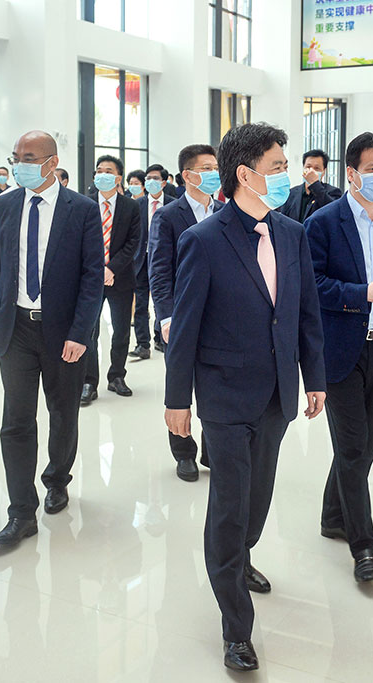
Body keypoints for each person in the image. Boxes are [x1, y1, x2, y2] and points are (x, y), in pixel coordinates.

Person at [164, 122, 326, 672]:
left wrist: (315, 378)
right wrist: (177, 401)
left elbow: (305, 314)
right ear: (245, 174)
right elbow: (185, 328)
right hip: (225, 396)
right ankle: (236, 628)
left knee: (257, 500)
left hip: (277, 392)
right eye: (277, 167)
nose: (286, 176)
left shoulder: (292, 233)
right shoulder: (203, 240)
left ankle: (239, 556)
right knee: (230, 508)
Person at [0, 130, 103, 547]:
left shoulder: (81, 209)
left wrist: (80, 333)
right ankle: (20, 511)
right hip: (14, 327)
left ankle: (57, 479)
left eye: (29, 158)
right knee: (15, 420)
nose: (20, 165)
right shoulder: (4, 205)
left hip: (63, 330)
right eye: (16, 157)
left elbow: (92, 277)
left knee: (62, 412)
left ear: (52, 162)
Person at [306, 132, 373, 583]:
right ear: (351, 173)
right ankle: (363, 545)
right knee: (353, 448)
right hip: (339, 350)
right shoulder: (323, 222)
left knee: (366, 445)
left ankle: (333, 515)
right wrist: (360, 294)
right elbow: (312, 285)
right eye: (372, 169)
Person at [150, 143, 223, 482]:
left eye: (216, 168)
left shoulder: (225, 211)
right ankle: (183, 452)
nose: (214, 174)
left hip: (220, 316)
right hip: (181, 315)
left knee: (216, 386)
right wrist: (166, 316)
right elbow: (159, 270)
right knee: (180, 384)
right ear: (188, 175)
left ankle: (213, 449)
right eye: (206, 169)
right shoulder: (168, 215)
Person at [82, 154, 140, 402]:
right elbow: (79, 242)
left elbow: (133, 242)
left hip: (121, 278)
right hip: (90, 278)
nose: (102, 175)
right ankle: (88, 381)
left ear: (118, 177)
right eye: (99, 170)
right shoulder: (84, 204)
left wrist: (112, 269)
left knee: (121, 331)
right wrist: (98, 269)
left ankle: (117, 376)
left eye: (108, 171)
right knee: (89, 331)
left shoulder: (131, 207)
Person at [131, 165, 172, 360]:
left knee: (160, 301)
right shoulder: (137, 205)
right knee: (140, 304)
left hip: (164, 260)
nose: (150, 182)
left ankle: (160, 338)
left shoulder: (173, 204)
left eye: (155, 178)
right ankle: (142, 344)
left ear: (163, 183)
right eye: (148, 178)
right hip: (141, 258)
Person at [277, 148, 342, 222]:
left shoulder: (333, 192)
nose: (311, 171)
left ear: (324, 171)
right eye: (308, 167)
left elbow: (334, 213)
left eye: (317, 168)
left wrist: (315, 184)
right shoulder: (291, 193)